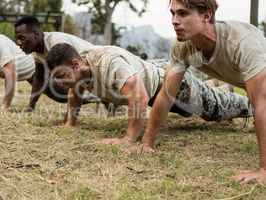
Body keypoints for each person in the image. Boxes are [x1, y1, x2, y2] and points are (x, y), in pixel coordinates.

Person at [129, 0, 266, 184]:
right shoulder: (182, 46)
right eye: (173, 13)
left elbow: (261, 101)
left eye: (183, 14)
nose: (175, 21)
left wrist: (263, 169)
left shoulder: (242, 41)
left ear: (206, 16)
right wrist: (146, 144)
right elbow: (166, 96)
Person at [45, 43, 253, 146]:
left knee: (215, 109)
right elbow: (74, 92)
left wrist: (128, 139)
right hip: (152, 71)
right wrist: (69, 123)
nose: (60, 83)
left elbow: (140, 98)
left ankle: (253, 105)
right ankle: (216, 88)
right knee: (199, 104)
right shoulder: (79, 70)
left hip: (169, 85)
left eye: (62, 76)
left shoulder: (108, 63)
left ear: (75, 64)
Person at [13, 16, 101, 112]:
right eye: (17, 39)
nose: (19, 43)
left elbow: (74, 74)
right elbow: (39, 77)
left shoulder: (57, 43)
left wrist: (67, 121)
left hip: (97, 69)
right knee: (53, 81)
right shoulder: (36, 51)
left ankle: (100, 99)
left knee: (58, 81)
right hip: (84, 77)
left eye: (22, 38)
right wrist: (30, 108)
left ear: (36, 34)